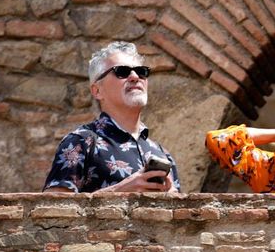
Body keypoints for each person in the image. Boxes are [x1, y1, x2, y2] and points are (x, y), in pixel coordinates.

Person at [44, 42, 180, 193]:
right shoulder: (80, 142)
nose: (135, 77)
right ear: (97, 91)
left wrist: (173, 198)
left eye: (141, 72)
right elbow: (51, 208)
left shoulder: (162, 154)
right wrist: (121, 191)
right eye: (122, 71)